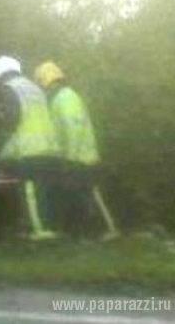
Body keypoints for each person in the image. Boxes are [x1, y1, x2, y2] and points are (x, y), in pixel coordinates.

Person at [33, 61, 119, 241]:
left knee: (86, 196)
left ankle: (104, 232)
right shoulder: (63, 97)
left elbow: (73, 127)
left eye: (41, 82)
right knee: (81, 196)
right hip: (77, 156)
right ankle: (88, 234)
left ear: (46, 81)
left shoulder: (65, 97)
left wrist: (69, 158)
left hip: (79, 158)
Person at [0, 55, 61, 241]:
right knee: (43, 190)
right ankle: (49, 226)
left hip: (29, 148)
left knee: (30, 190)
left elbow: (12, 118)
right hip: (48, 145)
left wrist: (1, 119)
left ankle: (40, 232)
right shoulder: (34, 87)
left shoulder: (9, 88)